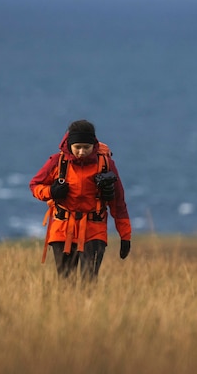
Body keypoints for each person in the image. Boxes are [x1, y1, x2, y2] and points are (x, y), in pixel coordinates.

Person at [29, 120, 131, 281]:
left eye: (86, 147)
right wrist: (51, 191)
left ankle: (88, 307)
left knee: (89, 281)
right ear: (69, 145)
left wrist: (125, 236)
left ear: (94, 145)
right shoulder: (57, 162)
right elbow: (34, 186)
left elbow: (119, 203)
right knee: (65, 282)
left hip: (94, 230)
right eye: (78, 147)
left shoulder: (106, 164)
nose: (82, 152)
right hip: (62, 230)